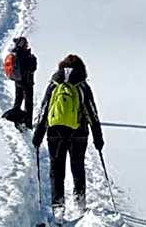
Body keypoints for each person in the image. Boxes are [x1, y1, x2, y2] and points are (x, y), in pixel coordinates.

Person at [33, 54, 104, 218]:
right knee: (77, 166)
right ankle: (79, 203)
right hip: (79, 132)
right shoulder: (82, 85)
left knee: (56, 168)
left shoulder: (54, 84)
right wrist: (98, 137)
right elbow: (92, 113)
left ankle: (58, 206)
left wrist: (38, 134)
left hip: (55, 132)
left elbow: (44, 109)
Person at [2, 36, 37, 129]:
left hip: (18, 81)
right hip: (27, 82)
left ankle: (16, 118)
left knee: (18, 100)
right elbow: (32, 68)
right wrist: (33, 59)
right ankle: (28, 124)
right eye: (26, 43)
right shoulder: (24, 54)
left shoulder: (15, 53)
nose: (27, 45)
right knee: (28, 103)